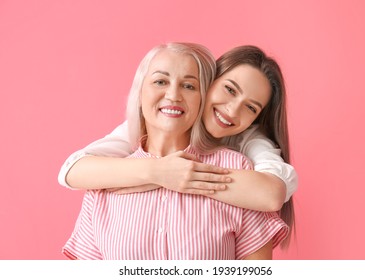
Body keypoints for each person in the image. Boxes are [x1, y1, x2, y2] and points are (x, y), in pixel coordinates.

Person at [63, 42, 288, 260]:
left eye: (189, 86)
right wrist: (159, 172)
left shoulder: (245, 160)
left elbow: (272, 194)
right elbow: (71, 170)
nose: (173, 95)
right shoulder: (106, 177)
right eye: (160, 81)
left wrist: (187, 176)